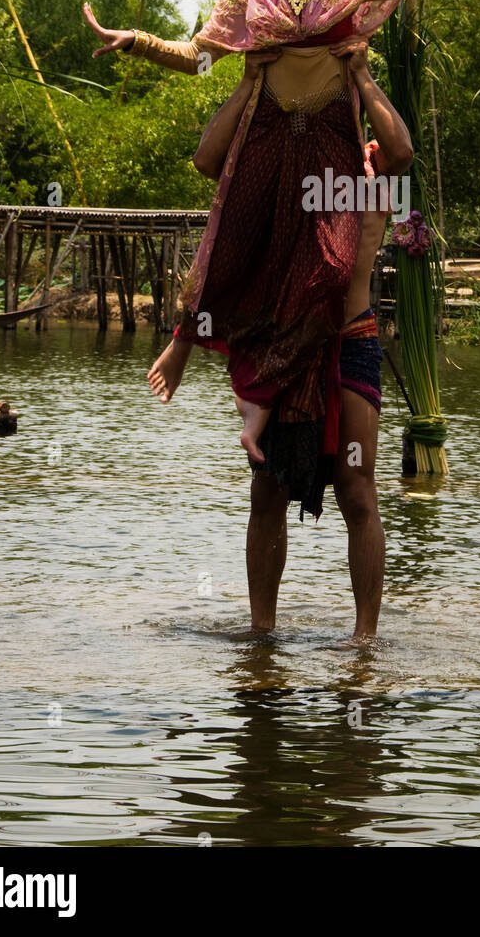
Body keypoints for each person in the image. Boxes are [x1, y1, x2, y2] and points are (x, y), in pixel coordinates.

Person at [84, 0, 480, 504]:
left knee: (333, 266)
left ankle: (273, 400)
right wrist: (138, 44)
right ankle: (191, 345)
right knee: (230, 248)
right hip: (267, 135)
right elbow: (198, 59)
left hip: (335, 141)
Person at [150, 43, 409, 639]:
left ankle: (364, 641)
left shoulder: (367, 179)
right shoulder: (284, 168)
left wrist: (364, 74)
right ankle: (261, 635)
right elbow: (209, 162)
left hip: (350, 339)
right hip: (283, 344)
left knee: (356, 487)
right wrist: (248, 84)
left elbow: (402, 149)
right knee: (267, 490)